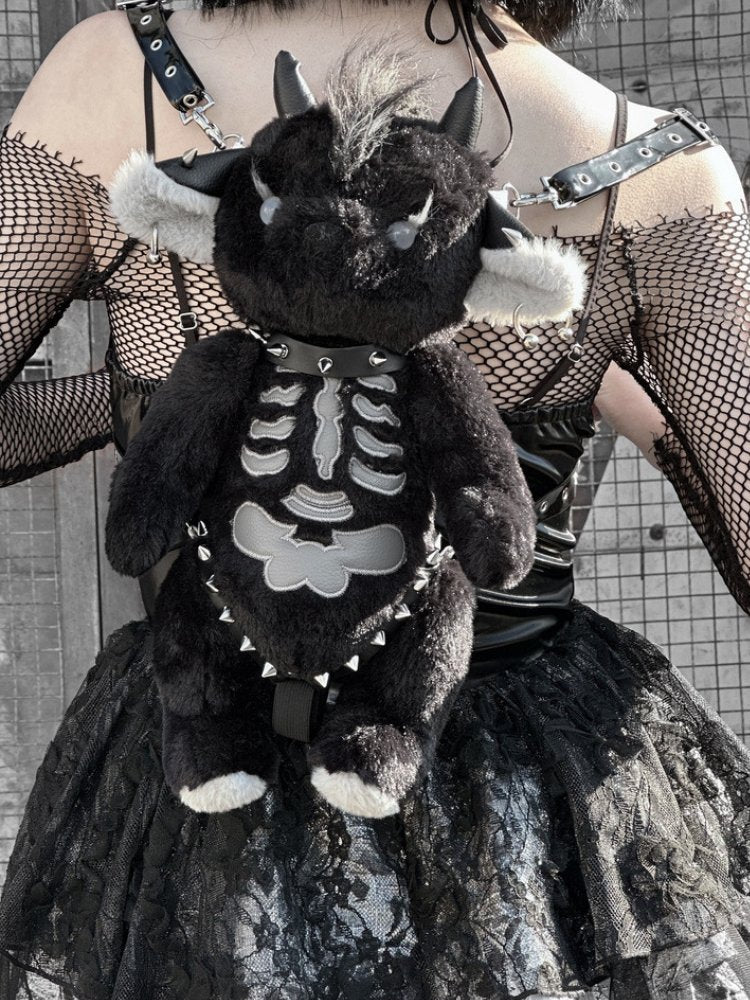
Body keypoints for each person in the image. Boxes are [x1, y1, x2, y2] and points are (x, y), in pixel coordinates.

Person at [0, 0, 749, 997]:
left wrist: (146, 403)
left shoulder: (117, 73)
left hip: (202, 793)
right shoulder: (652, 165)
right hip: (520, 810)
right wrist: (601, 385)